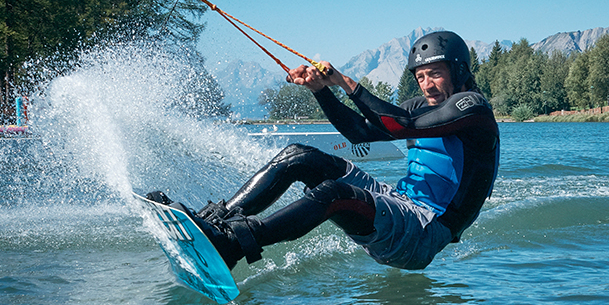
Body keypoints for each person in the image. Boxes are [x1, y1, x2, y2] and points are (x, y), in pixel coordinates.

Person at [149, 30, 499, 271]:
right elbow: (359, 132)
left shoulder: (473, 108)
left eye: (435, 74)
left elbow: (399, 128)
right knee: (298, 156)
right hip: (400, 205)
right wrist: (321, 90)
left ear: (458, 70)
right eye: (420, 77)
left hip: (425, 231)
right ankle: (214, 223)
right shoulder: (415, 106)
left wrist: (345, 81)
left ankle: (232, 246)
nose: (426, 84)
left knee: (333, 194)